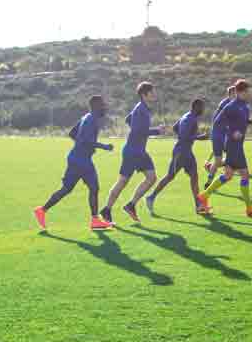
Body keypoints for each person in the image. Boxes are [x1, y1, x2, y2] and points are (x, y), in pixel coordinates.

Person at [34, 95, 114, 231]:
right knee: (93, 188)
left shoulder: (86, 117)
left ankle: (42, 210)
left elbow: (72, 134)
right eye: (103, 105)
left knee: (69, 189)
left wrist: (81, 145)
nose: (105, 107)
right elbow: (86, 140)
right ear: (95, 106)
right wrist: (104, 146)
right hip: (82, 160)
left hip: (77, 158)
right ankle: (95, 220)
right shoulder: (90, 120)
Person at [197, 79, 252, 217]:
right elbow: (218, 123)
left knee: (228, 175)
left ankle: (204, 196)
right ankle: (249, 208)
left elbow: (239, 121)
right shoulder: (231, 106)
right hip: (233, 145)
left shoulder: (245, 106)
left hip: (237, 145)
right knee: (244, 174)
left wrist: (249, 121)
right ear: (241, 92)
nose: (250, 94)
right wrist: (231, 132)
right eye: (248, 91)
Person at [101, 82, 165, 224]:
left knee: (151, 178)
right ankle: (106, 210)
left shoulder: (144, 108)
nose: (154, 94)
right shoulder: (141, 109)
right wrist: (157, 131)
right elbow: (138, 130)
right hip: (132, 151)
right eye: (152, 92)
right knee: (123, 182)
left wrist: (150, 130)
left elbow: (128, 120)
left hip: (140, 151)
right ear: (144, 95)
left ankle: (131, 205)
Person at [146, 99, 209, 216]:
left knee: (194, 177)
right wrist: (200, 137)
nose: (203, 110)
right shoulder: (190, 119)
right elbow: (184, 136)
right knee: (170, 176)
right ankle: (151, 197)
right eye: (202, 107)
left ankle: (198, 206)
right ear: (196, 107)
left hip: (187, 152)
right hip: (181, 153)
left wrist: (190, 137)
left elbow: (175, 128)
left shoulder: (187, 116)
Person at [204, 85, 237, 188]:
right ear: (231, 94)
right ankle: (210, 179)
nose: (237, 95)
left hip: (223, 134)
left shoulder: (231, 104)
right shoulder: (226, 104)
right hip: (219, 134)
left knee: (226, 158)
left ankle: (211, 170)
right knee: (221, 160)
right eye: (235, 93)